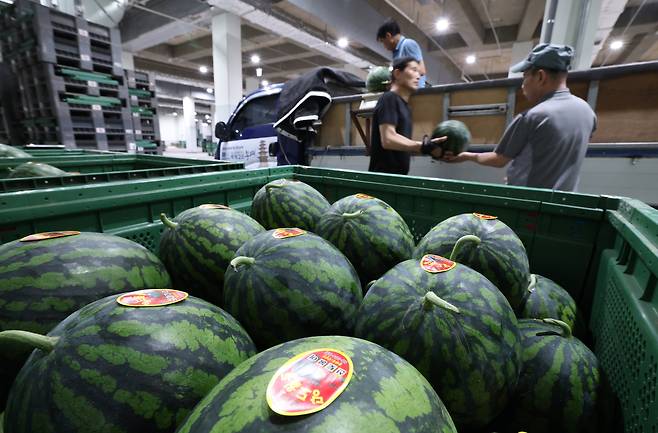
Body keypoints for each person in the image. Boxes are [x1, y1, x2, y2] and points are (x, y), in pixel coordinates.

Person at [443, 44, 597, 192]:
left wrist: (466, 156)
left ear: (541, 76)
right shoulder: (587, 112)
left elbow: (498, 159)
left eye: (525, 77)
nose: (523, 84)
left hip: (530, 205)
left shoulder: (532, 117)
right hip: (566, 204)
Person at [369, 56, 445, 175]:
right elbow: (388, 140)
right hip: (383, 180)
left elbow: (402, 145)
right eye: (414, 70)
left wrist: (431, 148)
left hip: (398, 178)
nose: (418, 76)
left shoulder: (406, 107)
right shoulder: (389, 98)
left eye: (419, 72)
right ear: (398, 73)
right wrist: (422, 146)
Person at [377, 19, 427, 88]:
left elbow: (421, 70)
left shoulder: (408, 44)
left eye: (383, 42)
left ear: (388, 36)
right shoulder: (396, 52)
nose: (384, 47)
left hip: (415, 94)